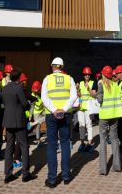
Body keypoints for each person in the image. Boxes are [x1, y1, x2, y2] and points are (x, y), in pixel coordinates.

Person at [41, 57, 77, 188]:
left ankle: (51, 180)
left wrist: (54, 110)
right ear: (62, 67)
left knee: (51, 146)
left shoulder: (47, 79)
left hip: (51, 115)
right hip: (65, 115)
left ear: (53, 67)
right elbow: (74, 96)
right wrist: (64, 109)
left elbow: (44, 97)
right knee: (65, 144)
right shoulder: (69, 79)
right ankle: (66, 176)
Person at [2, 67, 38, 184]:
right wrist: (29, 104)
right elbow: (24, 103)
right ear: (18, 77)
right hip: (19, 120)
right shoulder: (19, 88)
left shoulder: (5, 88)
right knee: (24, 145)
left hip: (8, 120)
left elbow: (4, 102)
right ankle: (25, 174)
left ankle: (8, 174)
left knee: (9, 147)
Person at [97, 66, 122, 175]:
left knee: (103, 140)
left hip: (104, 115)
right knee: (114, 138)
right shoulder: (116, 84)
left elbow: (100, 100)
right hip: (115, 114)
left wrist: (97, 95)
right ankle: (117, 166)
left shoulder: (101, 84)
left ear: (103, 74)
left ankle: (103, 169)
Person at [76, 67, 95, 153]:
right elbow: (78, 95)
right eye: (85, 74)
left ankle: (89, 144)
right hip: (81, 108)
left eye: (88, 74)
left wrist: (89, 89)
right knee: (81, 126)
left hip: (89, 108)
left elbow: (94, 95)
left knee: (89, 125)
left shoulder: (93, 83)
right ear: (83, 75)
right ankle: (82, 143)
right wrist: (76, 89)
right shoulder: (80, 83)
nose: (87, 75)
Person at [29, 81, 45, 147]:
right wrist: (30, 116)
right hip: (36, 112)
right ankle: (38, 141)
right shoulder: (32, 96)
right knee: (38, 126)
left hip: (41, 110)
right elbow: (31, 107)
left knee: (48, 116)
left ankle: (33, 123)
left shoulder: (40, 94)